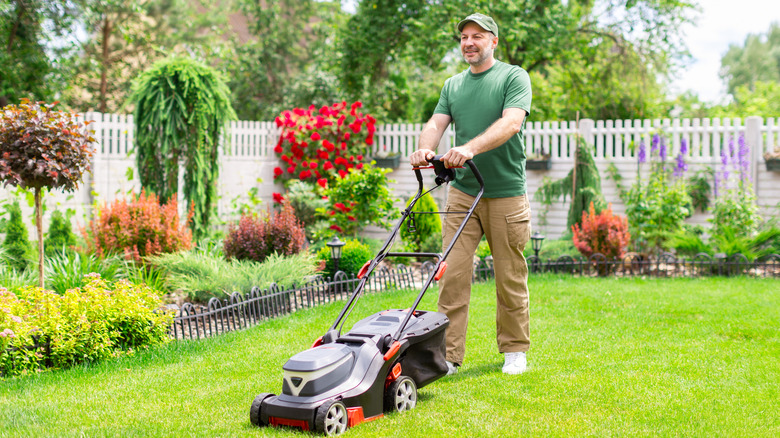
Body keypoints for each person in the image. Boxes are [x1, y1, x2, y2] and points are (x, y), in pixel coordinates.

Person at [409, 13, 533, 375]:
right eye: (464, 37)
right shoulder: (453, 85)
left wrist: (470, 148)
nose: (468, 43)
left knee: (509, 275)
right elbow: (435, 123)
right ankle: (448, 357)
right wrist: (424, 149)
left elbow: (512, 122)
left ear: (493, 41)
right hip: (463, 192)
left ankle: (514, 350)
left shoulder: (513, 77)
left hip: (506, 192)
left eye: (477, 36)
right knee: (453, 274)